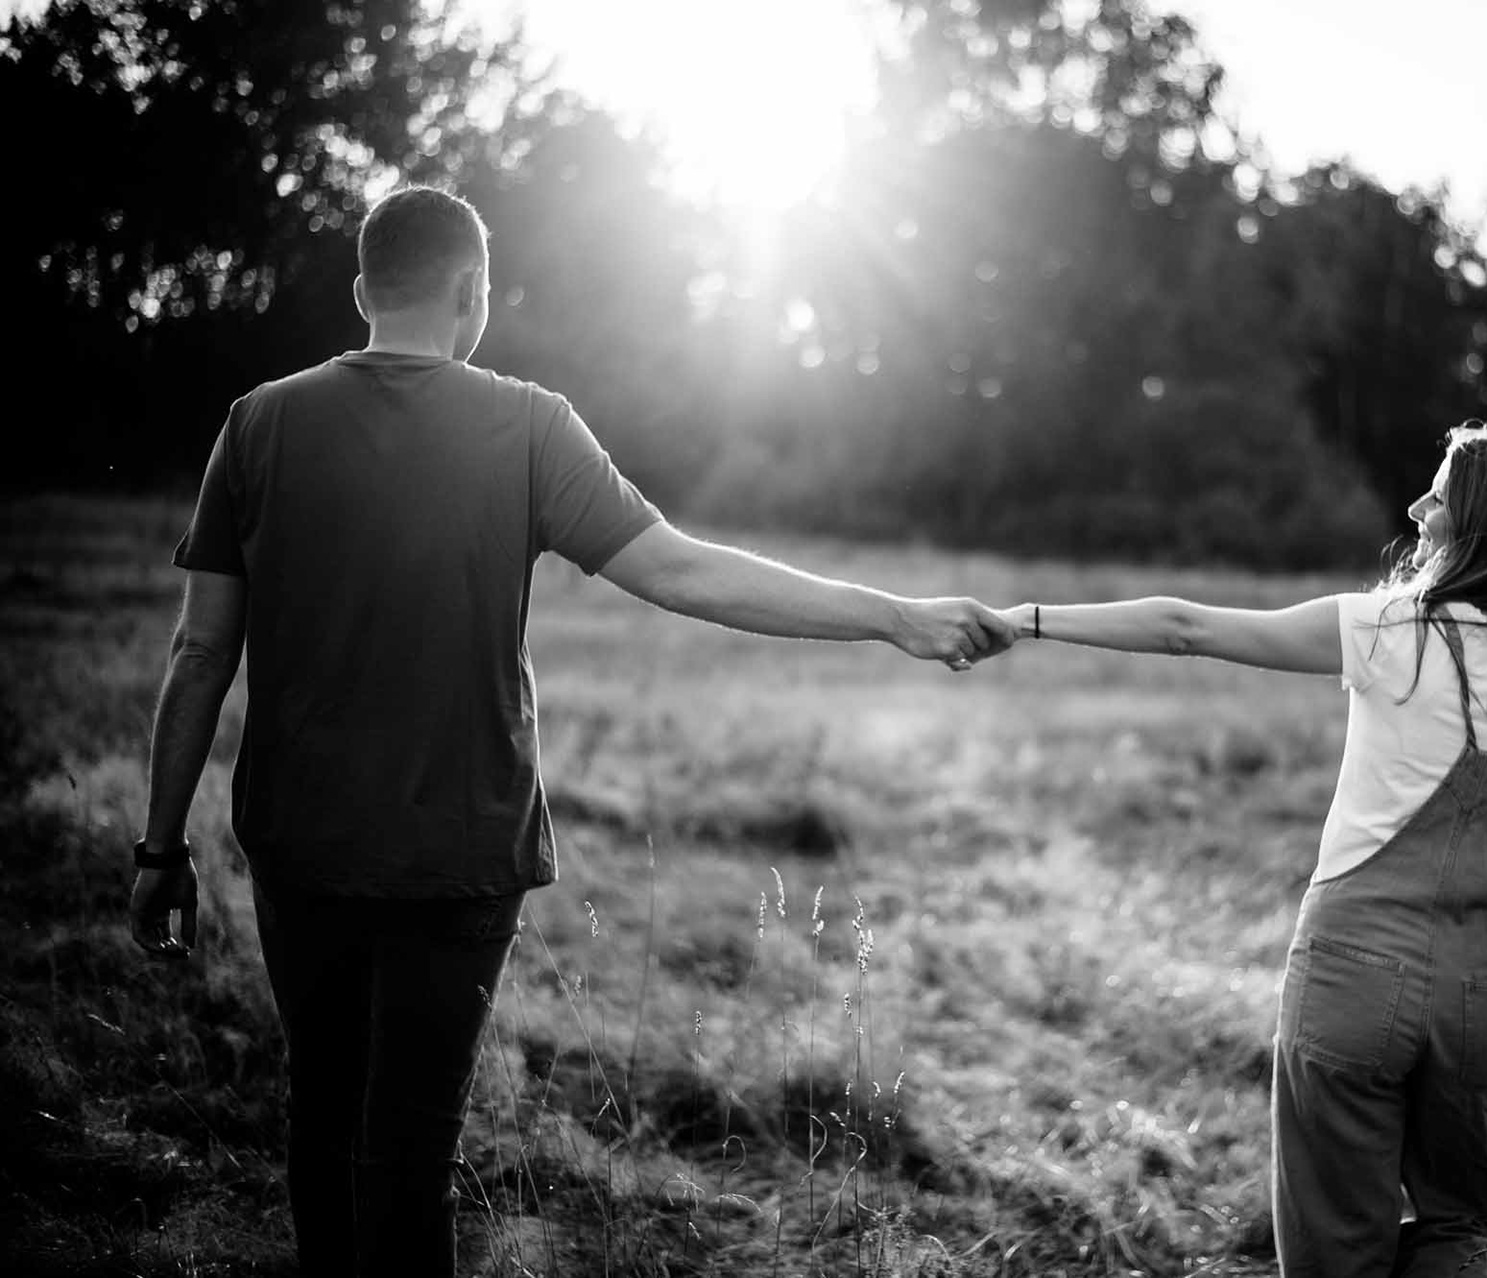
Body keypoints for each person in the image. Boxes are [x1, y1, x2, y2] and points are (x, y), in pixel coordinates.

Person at [129, 185, 1016, 1278]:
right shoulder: (529, 425)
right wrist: (894, 617)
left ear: (363, 293)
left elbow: (200, 652)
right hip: (462, 857)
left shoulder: (258, 422)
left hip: (299, 846)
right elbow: (685, 572)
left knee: (320, 1117)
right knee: (409, 1152)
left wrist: (159, 849)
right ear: (473, 292)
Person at [993, 416, 1487, 1277]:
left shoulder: (1388, 628)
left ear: (1481, 523)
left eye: (1440, 495)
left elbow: (1187, 628)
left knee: (1336, 1247)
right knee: (1463, 1225)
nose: (1419, 507)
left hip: (1355, 966)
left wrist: (1027, 620)